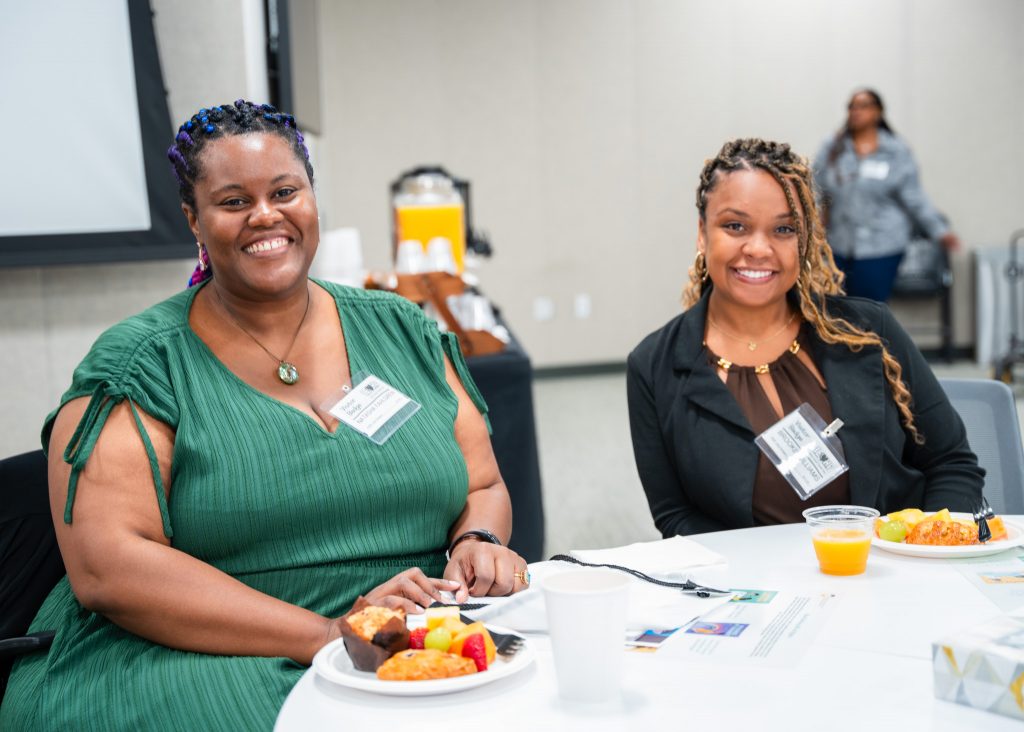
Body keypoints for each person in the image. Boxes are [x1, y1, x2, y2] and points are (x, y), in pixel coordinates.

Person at [0, 100, 528, 730]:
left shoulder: (404, 330)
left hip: (406, 632)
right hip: (200, 651)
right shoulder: (141, 364)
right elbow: (108, 568)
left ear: (311, 197)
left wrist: (480, 539)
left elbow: (483, 483)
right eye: (232, 201)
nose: (266, 215)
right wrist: (327, 633)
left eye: (285, 190)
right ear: (194, 219)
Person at [627, 138, 983, 539]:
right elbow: (675, 515)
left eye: (784, 229)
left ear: (806, 239)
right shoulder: (654, 365)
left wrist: (923, 551)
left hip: (885, 572)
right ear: (701, 233)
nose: (759, 248)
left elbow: (952, 463)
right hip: (754, 591)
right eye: (735, 225)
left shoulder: (868, 332)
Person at [813, 88, 960, 302]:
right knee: (839, 308)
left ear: (878, 112)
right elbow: (819, 186)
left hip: (882, 244)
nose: (856, 111)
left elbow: (914, 196)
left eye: (863, 106)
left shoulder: (895, 150)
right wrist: (820, 218)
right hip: (841, 243)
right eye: (852, 106)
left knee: (870, 309)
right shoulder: (834, 146)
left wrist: (939, 230)